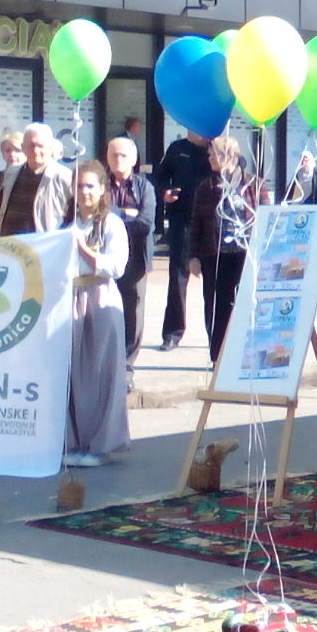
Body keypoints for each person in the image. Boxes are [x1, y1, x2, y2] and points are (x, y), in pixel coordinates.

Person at [64, 160, 131, 467]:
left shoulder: (112, 224)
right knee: (74, 372)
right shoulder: (67, 222)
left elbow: (116, 266)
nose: (85, 192)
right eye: (79, 186)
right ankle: (74, 440)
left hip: (101, 297)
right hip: (71, 297)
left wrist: (84, 250)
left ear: (102, 188)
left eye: (90, 186)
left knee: (101, 371)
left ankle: (100, 443)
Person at [187, 136, 270, 364]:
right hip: (215, 254)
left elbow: (267, 220)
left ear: (228, 156)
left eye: (213, 154)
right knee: (216, 306)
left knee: (246, 304)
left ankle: (245, 355)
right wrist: (193, 256)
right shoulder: (206, 186)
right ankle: (218, 357)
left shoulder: (254, 184)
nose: (209, 158)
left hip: (246, 255)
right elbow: (196, 222)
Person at [153, 131, 212, 351]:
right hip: (182, 220)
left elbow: (238, 164)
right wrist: (165, 192)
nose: (191, 130)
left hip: (210, 223)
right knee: (177, 278)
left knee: (213, 282)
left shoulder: (215, 148)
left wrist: (214, 145)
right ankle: (172, 333)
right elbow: (160, 176)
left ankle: (216, 336)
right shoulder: (177, 148)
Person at [107, 137, 156, 392]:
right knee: (105, 311)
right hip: (106, 259)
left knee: (133, 315)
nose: (118, 159)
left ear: (134, 160)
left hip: (136, 261)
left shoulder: (144, 187)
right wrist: (127, 215)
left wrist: (114, 218)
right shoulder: (101, 185)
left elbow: (146, 224)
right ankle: (108, 365)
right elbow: (96, 218)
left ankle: (126, 368)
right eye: (114, 155)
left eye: (123, 155)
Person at [0, 123, 74, 235]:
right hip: (10, 242)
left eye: (40, 146)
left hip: (42, 243)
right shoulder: (11, 173)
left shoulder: (63, 176)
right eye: (31, 145)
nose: (36, 151)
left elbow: (74, 214)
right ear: (23, 147)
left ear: (50, 148)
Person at [0, 130, 25, 204]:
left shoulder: (32, 178)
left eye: (18, 150)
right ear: (2, 153)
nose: (12, 154)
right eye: (8, 150)